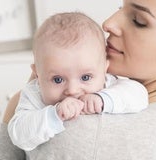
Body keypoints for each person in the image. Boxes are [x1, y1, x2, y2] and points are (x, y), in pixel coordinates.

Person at [0, 0, 156, 160]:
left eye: (139, 20)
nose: (109, 23)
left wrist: (16, 107)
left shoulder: (80, 132)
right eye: (120, 6)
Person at [8, 12, 148, 151]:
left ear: (105, 68)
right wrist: (54, 114)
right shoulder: (34, 94)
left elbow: (140, 95)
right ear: (38, 75)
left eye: (85, 77)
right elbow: (17, 134)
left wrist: (103, 99)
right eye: (58, 79)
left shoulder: (108, 84)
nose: (73, 90)